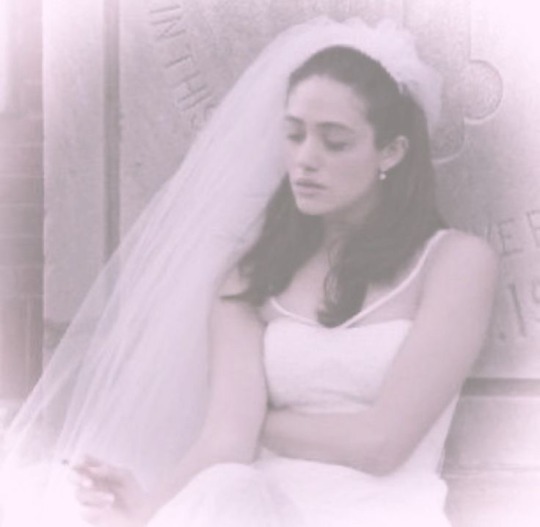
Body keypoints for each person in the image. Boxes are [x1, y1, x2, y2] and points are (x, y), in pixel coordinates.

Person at [1, 17, 497, 527]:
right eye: (295, 135)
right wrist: (149, 507)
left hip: (378, 513)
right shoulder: (252, 276)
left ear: (391, 151)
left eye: (335, 142)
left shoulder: (455, 263)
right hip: (252, 506)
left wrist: (255, 419)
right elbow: (224, 442)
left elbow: (382, 443)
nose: (306, 159)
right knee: (223, 491)